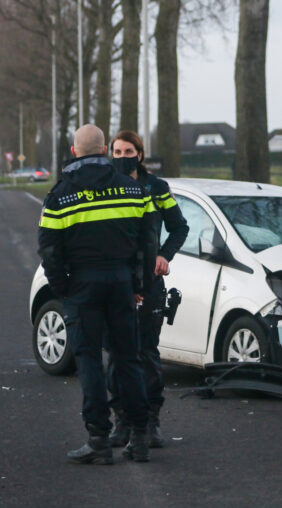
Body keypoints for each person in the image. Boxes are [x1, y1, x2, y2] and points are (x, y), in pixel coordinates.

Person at [37, 124, 158, 464]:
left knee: (88, 359)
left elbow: (48, 250)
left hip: (82, 285)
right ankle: (139, 436)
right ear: (105, 150)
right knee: (129, 358)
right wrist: (140, 287)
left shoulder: (60, 195)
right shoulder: (134, 190)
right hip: (121, 283)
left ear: (74, 152)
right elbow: (148, 244)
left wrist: (63, 289)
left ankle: (99, 439)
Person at [106, 130, 189, 449]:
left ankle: (151, 421)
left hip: (151, 284)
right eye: (117, 151)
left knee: (147, 354)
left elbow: (179, 226)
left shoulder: (157, 187)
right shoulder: (105, 186)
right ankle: (122, 420)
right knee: (115, 354)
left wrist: (163, 255)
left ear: (140, 154)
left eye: (129, 151)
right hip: (116, 281)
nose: (123, 156)